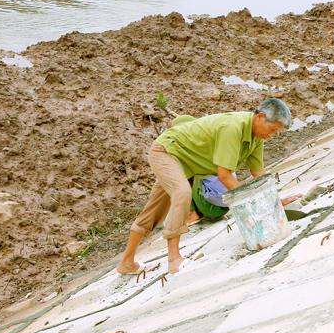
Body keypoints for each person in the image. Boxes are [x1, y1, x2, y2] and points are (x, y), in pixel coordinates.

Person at [117, 98, 291, 275]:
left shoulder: (256, 139)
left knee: (153, 211)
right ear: (260, 117)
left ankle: (126, 263)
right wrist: (253, 205)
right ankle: (174, 258)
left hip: (187, 162)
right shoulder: (233, 127)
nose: (271, 135)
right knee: (182, 192)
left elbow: (258, 174)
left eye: (276, 133)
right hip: (167, 152)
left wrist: (275, 202)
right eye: (272, 130)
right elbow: (224, 175)